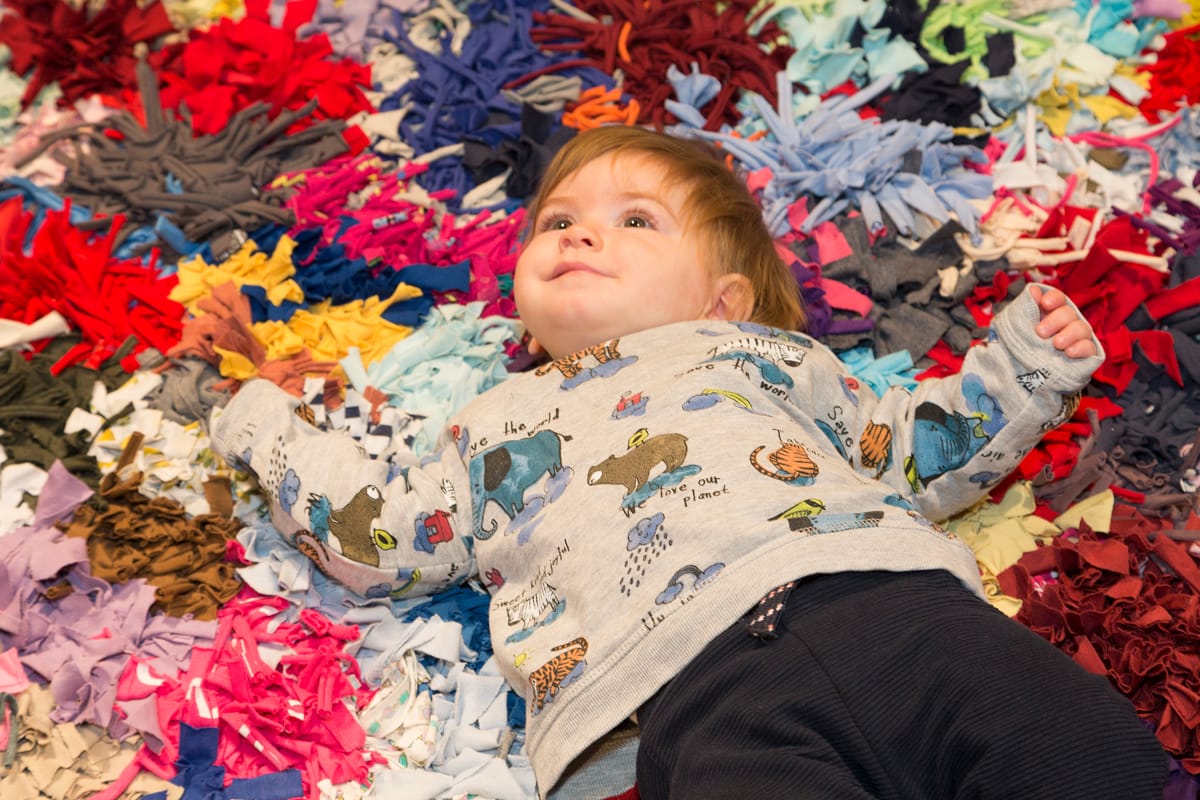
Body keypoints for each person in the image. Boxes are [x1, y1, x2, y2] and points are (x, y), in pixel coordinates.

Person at [211, 125, 1167, 799]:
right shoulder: (491, 424)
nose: (578, 232)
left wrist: (1022, 367)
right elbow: (376, 532)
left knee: (1088, 745)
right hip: (697, 690)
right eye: (555, 221)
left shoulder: (767, 357)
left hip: (893, 607)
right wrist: (259, 417)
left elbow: (908, 453)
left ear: (724, 302)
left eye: (636, 220)